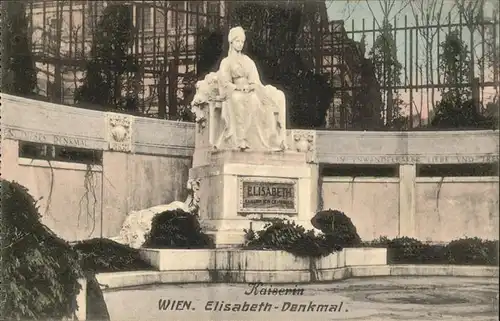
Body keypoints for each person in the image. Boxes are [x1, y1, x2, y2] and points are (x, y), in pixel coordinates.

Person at [215, 26, 284, 151]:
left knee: (255, 101)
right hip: (234, 92)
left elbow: (255, 81)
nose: (240, 44)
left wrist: (250, 87)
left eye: (242, 41)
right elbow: (224, 82)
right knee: (237, 100)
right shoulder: (226, 62)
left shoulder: (248, 61)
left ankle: (263, 140)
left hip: (249, 91)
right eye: (237, 41)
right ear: (231, 42)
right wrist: (237, 87)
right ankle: (241, 140)